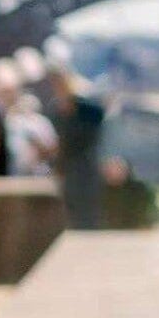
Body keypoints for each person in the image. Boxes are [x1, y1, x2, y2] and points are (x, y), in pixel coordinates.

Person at [41, 60, 108, 228]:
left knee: (87, 211)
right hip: (66, 166)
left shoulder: (88, 108)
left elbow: (98, 128)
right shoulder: (55, 110)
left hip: (85, 164)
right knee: (69, 210)